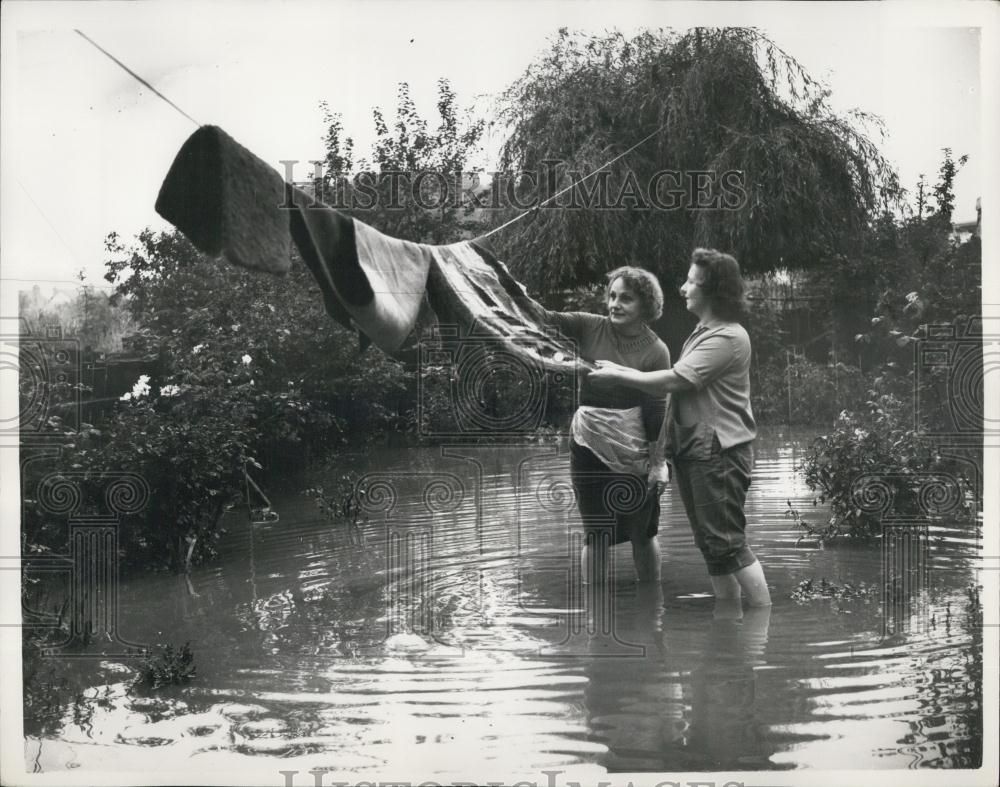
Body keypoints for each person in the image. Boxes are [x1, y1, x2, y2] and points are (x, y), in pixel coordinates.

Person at [589, 249, 771, 606]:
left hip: (719, 453)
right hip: (698, 450)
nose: (683, 287)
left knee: (727, 543)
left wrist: (619, 374)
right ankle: (729, 625)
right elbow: (677, 391)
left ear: (712, 291)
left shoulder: (728, 338)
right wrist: (620, 370)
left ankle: (761, 626)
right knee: (712, 544)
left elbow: (674, 380)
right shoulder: (703, 333)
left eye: (691, 281)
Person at [534, 267, 671, 584]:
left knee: (642, 531)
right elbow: (544, 317)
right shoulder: (589, 326)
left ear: (645, 305)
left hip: (633, 449)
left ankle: (652, 610)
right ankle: (596, 618)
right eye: (611, 296)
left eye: (626, 298)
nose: (615, 304)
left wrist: (657, 463)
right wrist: (513, 290)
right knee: (595, 533)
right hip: (587, 446)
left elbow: (656, 408)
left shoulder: (656, 350)